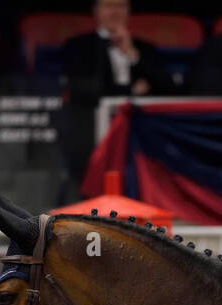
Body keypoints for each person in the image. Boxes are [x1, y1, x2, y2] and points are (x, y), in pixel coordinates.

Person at [58, 0, 174, 200]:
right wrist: (132, 90)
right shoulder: (78, 46)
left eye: (121, 6)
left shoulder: (145, 49)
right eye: (109, 6)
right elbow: (83, 90)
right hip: (92, 133)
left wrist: (131, 54)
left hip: (141, 136)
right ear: (96, 11)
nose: (115, 11)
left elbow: (169, 88)